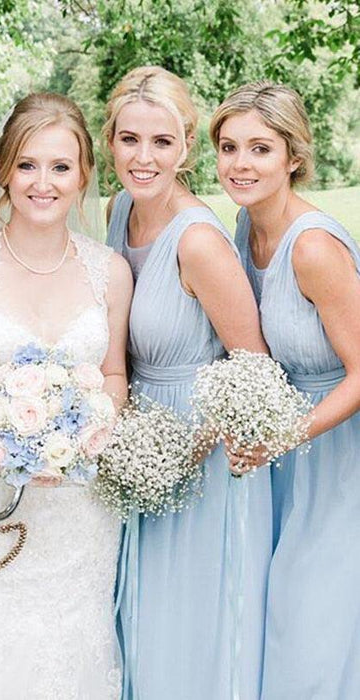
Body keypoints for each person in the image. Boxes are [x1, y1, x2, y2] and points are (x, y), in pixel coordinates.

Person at [0, 92, 132, 699]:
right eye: (29, 165)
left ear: (84, 175)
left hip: (79, 505)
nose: (44, 182)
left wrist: (83, 429)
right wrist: (0, 433)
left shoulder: (108, 271)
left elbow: (114, 374)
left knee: (73, 647)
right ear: (5, 170)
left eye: (61, 167)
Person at [103, 66, 270, 700]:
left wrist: (184, 453)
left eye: (162, 142)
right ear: (111, 141)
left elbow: (252, 367)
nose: (143, 158)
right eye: (129, 140)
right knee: (137, 618)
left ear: (188, 146)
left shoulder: (198, 240)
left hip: (198, 450)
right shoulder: (121, 210)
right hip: (135, 438)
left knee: (186, 624)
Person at [211, 81, 360, 699]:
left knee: (311, 622)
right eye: (228, 147)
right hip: (276, 452)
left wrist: (284, 435)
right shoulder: (245, 226)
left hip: (335, 455)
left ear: (294, 157)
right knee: (267, 615)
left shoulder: (315, 249)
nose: (240, 164)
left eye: (261, 149)